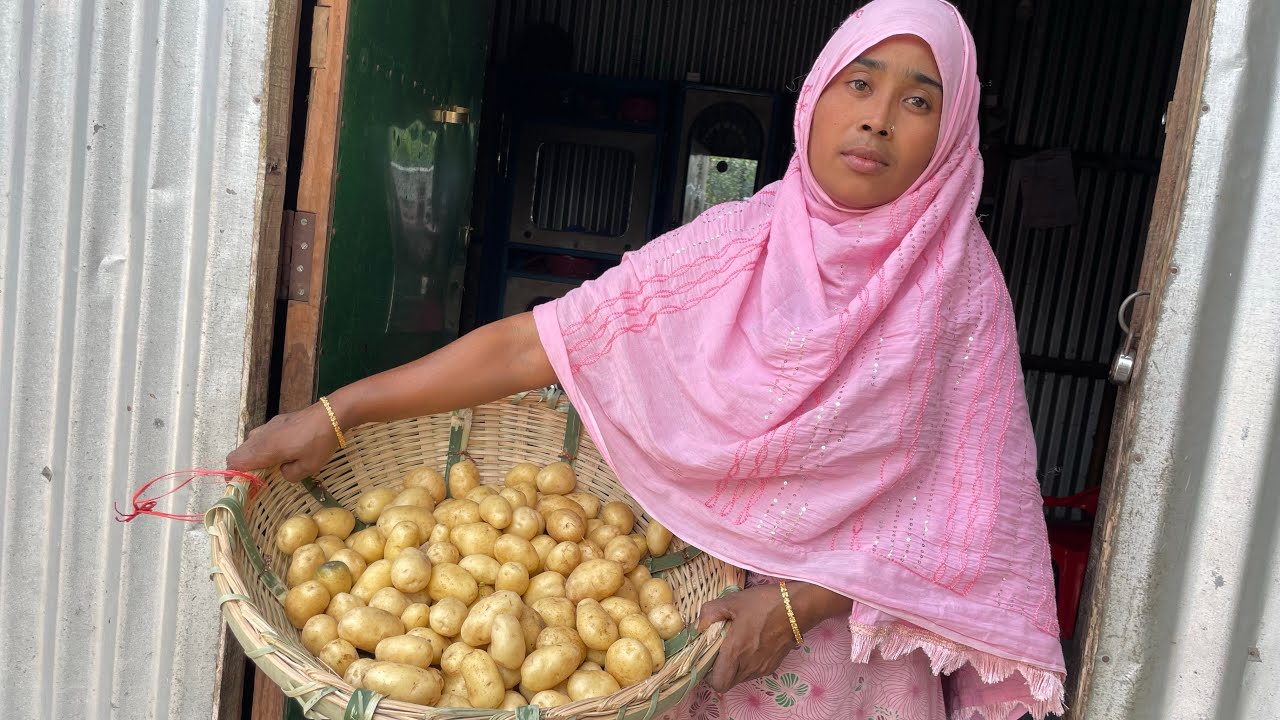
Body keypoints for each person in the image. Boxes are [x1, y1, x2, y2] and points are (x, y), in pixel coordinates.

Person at [228, 1, 1067, 717]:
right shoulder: (731, 247)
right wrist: (338, 411)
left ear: (951, 135)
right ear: (816, 97)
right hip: (672, 635)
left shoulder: (960, 296)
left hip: (853, 669)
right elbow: (536, 341)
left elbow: (964, 524)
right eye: (860, 82)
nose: (878, 117)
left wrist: (798, 604)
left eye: (918, 100)